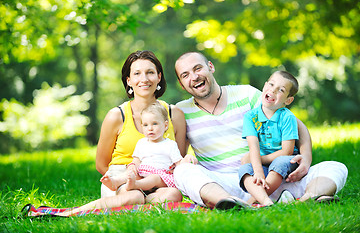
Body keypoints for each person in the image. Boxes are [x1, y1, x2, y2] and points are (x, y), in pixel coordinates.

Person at [173, 51, 348, 209]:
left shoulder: (246, 95)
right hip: (222, 184)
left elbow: (297, 125)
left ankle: (309, 197)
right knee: (182, 172)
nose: (194, 77)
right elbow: (176, 156)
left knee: (335, 167)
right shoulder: (181, 111)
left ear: (210, 67)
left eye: (198, 68)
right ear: (181, 84)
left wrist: (306, 160)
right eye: (185, 75)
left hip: (268, 177)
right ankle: (231, 202)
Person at [26, 50, 187, 217]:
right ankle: (72, 213)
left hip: (160, 180)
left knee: (174, 196)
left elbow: (177, 158)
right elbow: (101, 164)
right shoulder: (116, 116)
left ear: (159, 77)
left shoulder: (174, 114)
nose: (144, 79)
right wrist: (125, 179)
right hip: (123, 177)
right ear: (129, 80)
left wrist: (152, 182)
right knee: (134, 196)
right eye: (137, 73)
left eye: (150, 72)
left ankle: (138, 204)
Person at [238, 70, 300, 206]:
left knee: (280, 162)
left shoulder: (287, 117)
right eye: (271, 85)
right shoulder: (250, 117)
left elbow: (287, 151)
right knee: (244, 170)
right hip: (264, 164)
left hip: (286, 161)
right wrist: (258, 170)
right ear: (264, 86)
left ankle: (251, 202)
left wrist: (259, 161)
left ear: (288, 100)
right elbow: (253, 147)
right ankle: (266, 201)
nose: (273, 90)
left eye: (281, 90)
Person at [102, 102, 183, 192]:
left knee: (154, 178)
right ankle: (116, 182)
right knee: (131, 174)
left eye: (155, 124)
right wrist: (132, 167)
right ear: (142, 127)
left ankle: (136, 185)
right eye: (145, 125)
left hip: (161, 177)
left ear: (165, 125)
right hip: (144, 173)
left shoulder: (170, 144)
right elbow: (136, 160)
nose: (150, 128)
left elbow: (178, 162)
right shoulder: (142, 143)